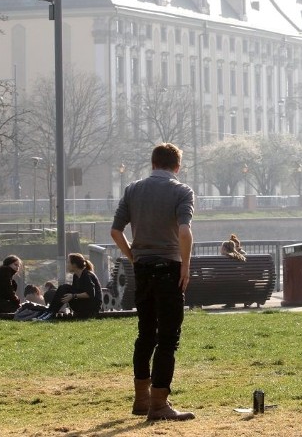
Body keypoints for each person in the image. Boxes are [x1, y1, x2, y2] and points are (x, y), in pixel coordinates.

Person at [110, 142, 195, 421]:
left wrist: (132, 256)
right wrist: (185, 266)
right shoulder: (182, 191)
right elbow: (184, 231)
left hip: (143, 270)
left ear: (153, 163)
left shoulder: (133, 190)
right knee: (168, 338)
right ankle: (159, 404)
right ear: (177, 167)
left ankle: (141, 400)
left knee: (145, 334)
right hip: (169, 269)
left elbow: (115, 231)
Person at [36, 253, 102, 320]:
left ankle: (51, 314)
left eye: (68, 263)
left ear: (74, 265)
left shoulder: (87, 275)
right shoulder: (76, 276)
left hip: (91, 308)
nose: (67, 265)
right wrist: (71, 295)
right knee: (63, 288)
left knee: (64, 288)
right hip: (82, 304)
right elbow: (74, 290)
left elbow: (90, 294)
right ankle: (50, 312)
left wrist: (73, 296)